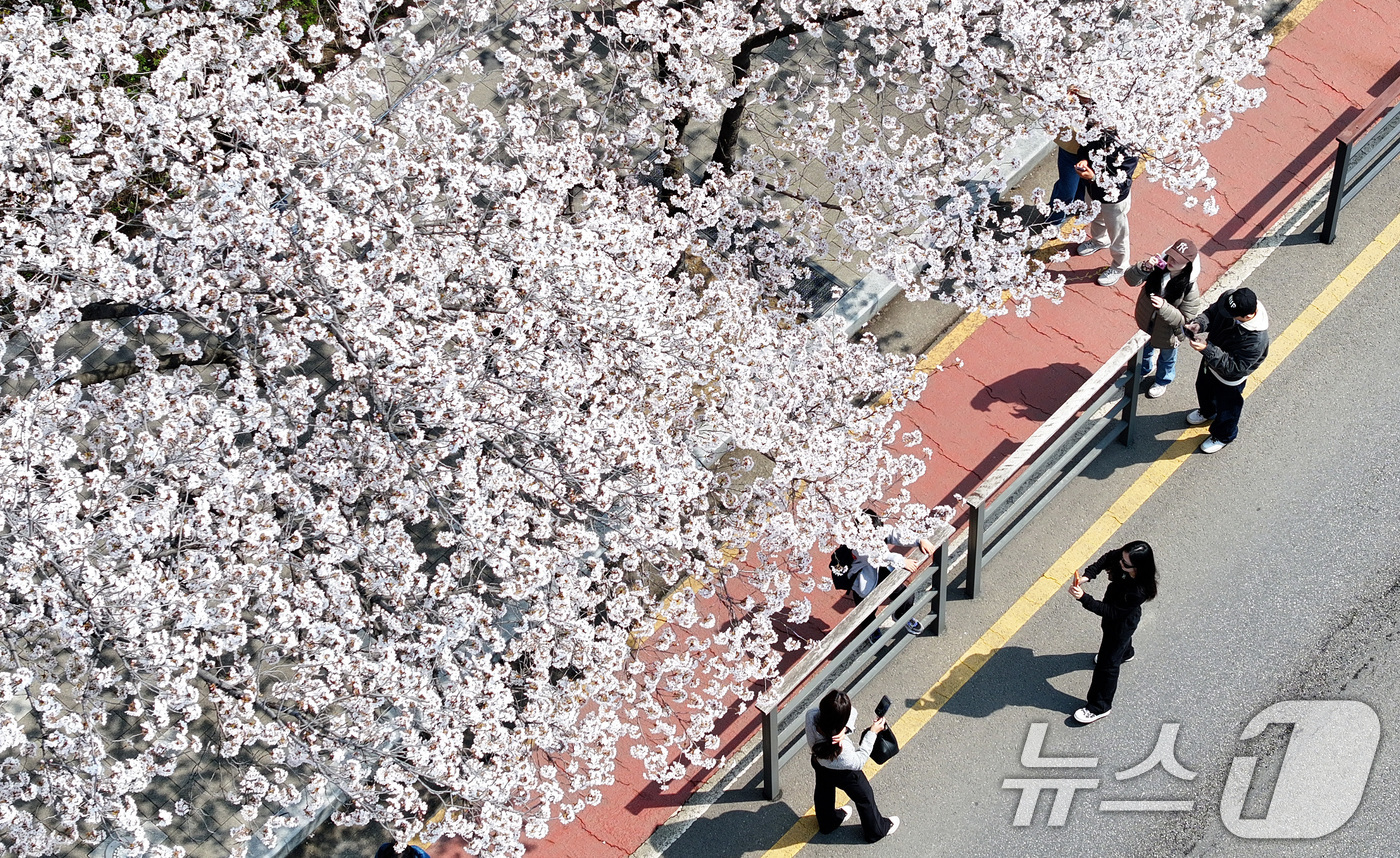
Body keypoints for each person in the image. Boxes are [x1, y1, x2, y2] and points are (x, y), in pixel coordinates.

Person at [1067, 540, 1158, 724]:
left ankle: (1099, 706)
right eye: (1122, 558)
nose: (1120, 563)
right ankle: (1126, 652)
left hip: (1121, 621)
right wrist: (1088, 575)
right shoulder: (1125, 560)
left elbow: (1112, 612)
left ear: (1138, 567)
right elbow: (1109, 557)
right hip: (1118, 615)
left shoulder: (1139, 591)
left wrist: (1084, 598)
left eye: (1125, 563)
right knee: (1117, 644)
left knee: (1107, 666)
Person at [1183, 286, 1270, 453]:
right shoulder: (1230, 299)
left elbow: (1233, 367)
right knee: (1203, 388)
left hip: (1229, 379)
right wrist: (1199, 324)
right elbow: (1213, 313)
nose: (1226, 314)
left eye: (1231, 315)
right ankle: (1208, 412)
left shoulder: (1256, 340)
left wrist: (1206, 349)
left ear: (1247, 316)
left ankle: (1224, 435)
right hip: (1210, 362)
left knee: (1228, 409)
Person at [806, 689, 900, 841]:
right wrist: (873, 732)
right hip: (844, 774)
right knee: (865, 796)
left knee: (824, 790)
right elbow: (859, 761)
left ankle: (827, 822)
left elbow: (851, 712)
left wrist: (843, 729)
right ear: (841, 721)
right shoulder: (843, 749)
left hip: (819, 762)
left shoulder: (811, 716)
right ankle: (876, 830)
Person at [1126, 238, 1206, 399]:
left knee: (1167, 357)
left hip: (1169, 332)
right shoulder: (1157, 270)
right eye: (1170, 256)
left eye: (1178, 261)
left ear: (1188, 265)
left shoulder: (1189, 287)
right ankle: (1144, 369)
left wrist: (1164, 307)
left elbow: (1186, 318)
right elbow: (1130, 280)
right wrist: (1143, 268)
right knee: (1145, 350)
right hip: (1147, 321)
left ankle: (1163, 380)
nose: (1171, 262)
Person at [830, 531, 937, 635]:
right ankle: (870, 630)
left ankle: (901, 614)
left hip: (878, 568)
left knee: (905, 595)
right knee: (867, 610)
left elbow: (895, 534)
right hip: (861, 582)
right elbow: (879, 556)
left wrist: (919, 540)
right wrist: (902, 561)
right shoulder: (857, 546)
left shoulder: (877, 529)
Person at [1073, 131, 1140, 286]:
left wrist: (1094, 178)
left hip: (1114, 199)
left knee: (1118, 234)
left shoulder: (1130, 146)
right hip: (1091, 188)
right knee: (1095, 217)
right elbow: (1084, 146)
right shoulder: (1099, 127)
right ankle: (1100, 240)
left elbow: (1123, 182)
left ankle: (1120, 265)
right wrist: (1083, 160)